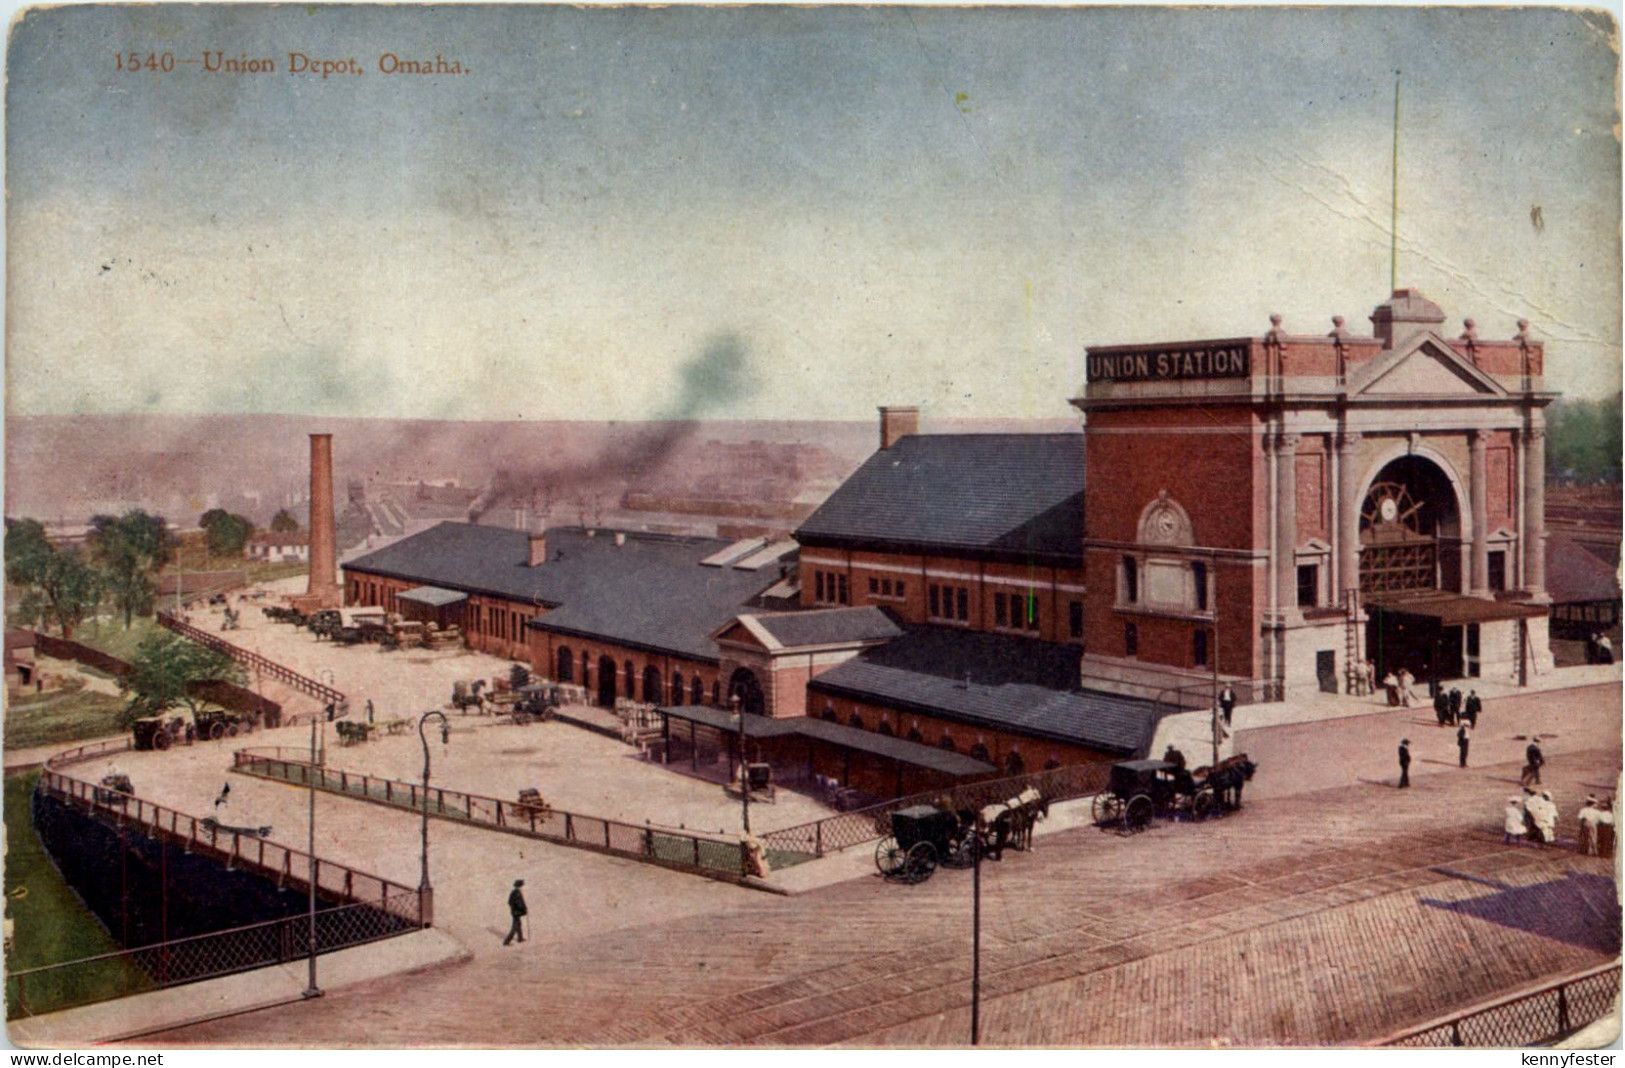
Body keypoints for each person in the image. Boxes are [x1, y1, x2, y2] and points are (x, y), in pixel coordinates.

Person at [503, 879, 528, 946]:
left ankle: (520, 938)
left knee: (518, 924)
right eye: (521, 886)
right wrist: (523, 909)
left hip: (514, 912)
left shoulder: (514, 892)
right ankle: (506, 941)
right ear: (519, 886)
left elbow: (509, 902)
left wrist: (513, 908)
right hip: (516, 912)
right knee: (515, 927)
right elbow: (519, 903)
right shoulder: (517, 893)